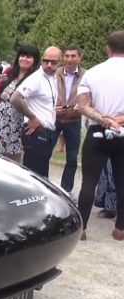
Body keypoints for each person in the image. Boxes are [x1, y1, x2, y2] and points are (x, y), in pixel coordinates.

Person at [76, 31, 124, 241]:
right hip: (122, 132)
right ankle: (120, 229)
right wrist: (118, 120)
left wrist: (103, 119)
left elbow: (83, 105)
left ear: (108, 48)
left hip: (97, 132)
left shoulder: (93, 73)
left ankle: (82, 228)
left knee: (89, 181)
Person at [9, 46, 61, 177]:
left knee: (41, 175)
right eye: (45, 61)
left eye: (53, 62)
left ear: (59, 62)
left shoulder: (53, 77)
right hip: (37, 132)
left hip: (47, 132)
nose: (48, 65)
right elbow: (15, 98)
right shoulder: (36, 78)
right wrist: (32, 117)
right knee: (35, 177)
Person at [0, 45, 40, 161]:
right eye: (22, 55)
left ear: (35, 60)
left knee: (11, 161)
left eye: (29, 57)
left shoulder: (35, 78)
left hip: (17, 125)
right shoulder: (9, 72)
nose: (24, 59)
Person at [52, 45, 87, 196]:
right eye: (66, 56)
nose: (69, 59)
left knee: (72, 158)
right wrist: (53, 107)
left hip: (74, 119)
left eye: (73, 56)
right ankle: (45, 187)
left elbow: (90, 96)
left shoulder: (86, 75)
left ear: (80, 57)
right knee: (45, 153)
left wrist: (82, 106)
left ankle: (66, 190)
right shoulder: (55, 72)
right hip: (54, 118)